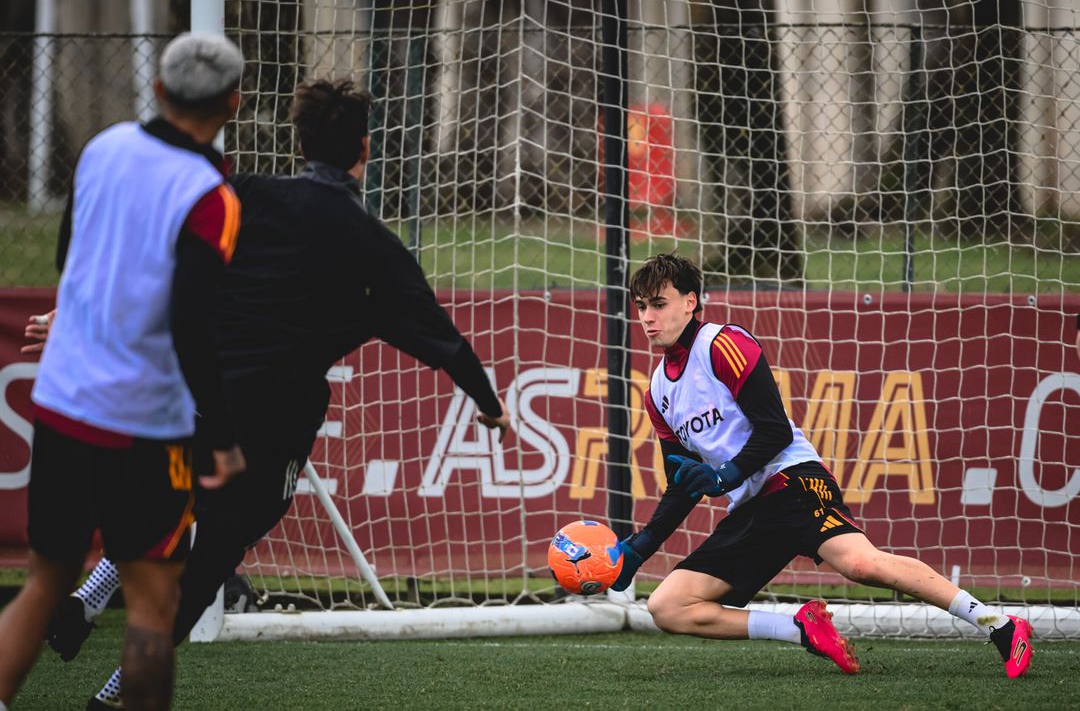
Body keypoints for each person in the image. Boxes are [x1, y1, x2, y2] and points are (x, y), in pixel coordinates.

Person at [35, 78, 510, 709]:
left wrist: (76, 317)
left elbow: (160, 259)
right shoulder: (371, 243)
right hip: (275, 414)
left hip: (194, 384)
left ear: (300, 141)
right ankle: (116, 694)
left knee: (173, 501)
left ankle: (89, 596)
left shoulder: (244, 195)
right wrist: (488, 402)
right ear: (365, 149)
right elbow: (435, 333)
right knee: (215, 550)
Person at [611, 253, 1033, 679]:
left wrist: (722, 476)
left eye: (658, 304)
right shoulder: (658, 393)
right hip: (750, 507)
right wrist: (638, 550)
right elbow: (682, 484)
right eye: (641, 306)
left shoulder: (724, 344)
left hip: (793, 480)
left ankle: (999, 624)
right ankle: (801, 628)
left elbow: (774, 431)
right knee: (668, 607)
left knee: (861, 566)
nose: (648, 317)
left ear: (690, 301)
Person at [0, 33, 247, 711]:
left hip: (61, 402)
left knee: (45, 581)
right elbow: (192, 324)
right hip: (144, 422)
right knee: (151, 598)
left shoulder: (102, 148)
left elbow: (73, 262)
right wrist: (221, 437)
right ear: (235, 102)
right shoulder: (212, 197)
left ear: (161, 92)